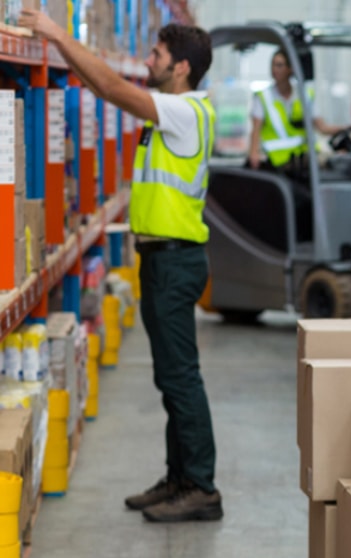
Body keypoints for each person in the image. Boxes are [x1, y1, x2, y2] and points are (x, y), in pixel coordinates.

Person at [21, 12, 223, 523]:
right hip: (162, 259)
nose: (147, 61)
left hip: (176, 261)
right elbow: (101, 85)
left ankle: (200, 486)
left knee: (181, 378)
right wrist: (69, 58)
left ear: (180, 67)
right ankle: (179, 476)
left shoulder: (184, 111)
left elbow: (111, 87)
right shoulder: (177, 110)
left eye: (155, 55)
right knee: (170, 377)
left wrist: (57, 34)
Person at [248, 50, 341, 171]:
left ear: (290, 69)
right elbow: (256, 129)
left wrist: (347, 128)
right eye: (273, 65)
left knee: (337, 162)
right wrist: (253, 153)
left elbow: (322, 127)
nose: (274, 69)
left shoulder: (305, 95)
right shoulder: (263, 96)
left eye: (279, 65)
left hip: (306, 156)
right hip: (278, 159)